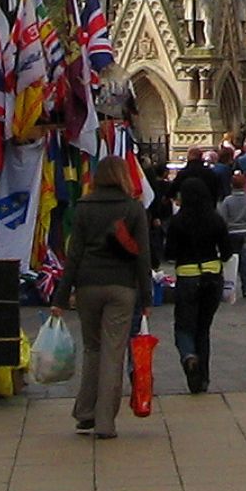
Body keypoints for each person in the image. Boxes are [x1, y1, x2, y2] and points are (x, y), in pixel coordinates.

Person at [51, 157, 153, 438]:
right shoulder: (133, 208)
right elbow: (142, 256)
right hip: (121, 287)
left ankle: (85, 412)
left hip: (87, 285)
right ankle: (105, 421)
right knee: (113, 353)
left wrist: (60, 297)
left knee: (92, 349)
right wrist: (147, 298)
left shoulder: (84, 207)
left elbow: (73, 256)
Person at [165, 178, 232, 394]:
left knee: (184, 326)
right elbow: (227, 250)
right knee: (203, 328)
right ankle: (202, 378)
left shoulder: (178, 221)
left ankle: (188, 356)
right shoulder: (215, 219)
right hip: (212, 275)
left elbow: (169, 253)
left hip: (187, 275)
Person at [218, 170, 246, 299]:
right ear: (245, 185)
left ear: (231, 185)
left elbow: (223, 218)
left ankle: (229, 288)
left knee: (231, 262)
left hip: (232, 233)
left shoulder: (227, 201)